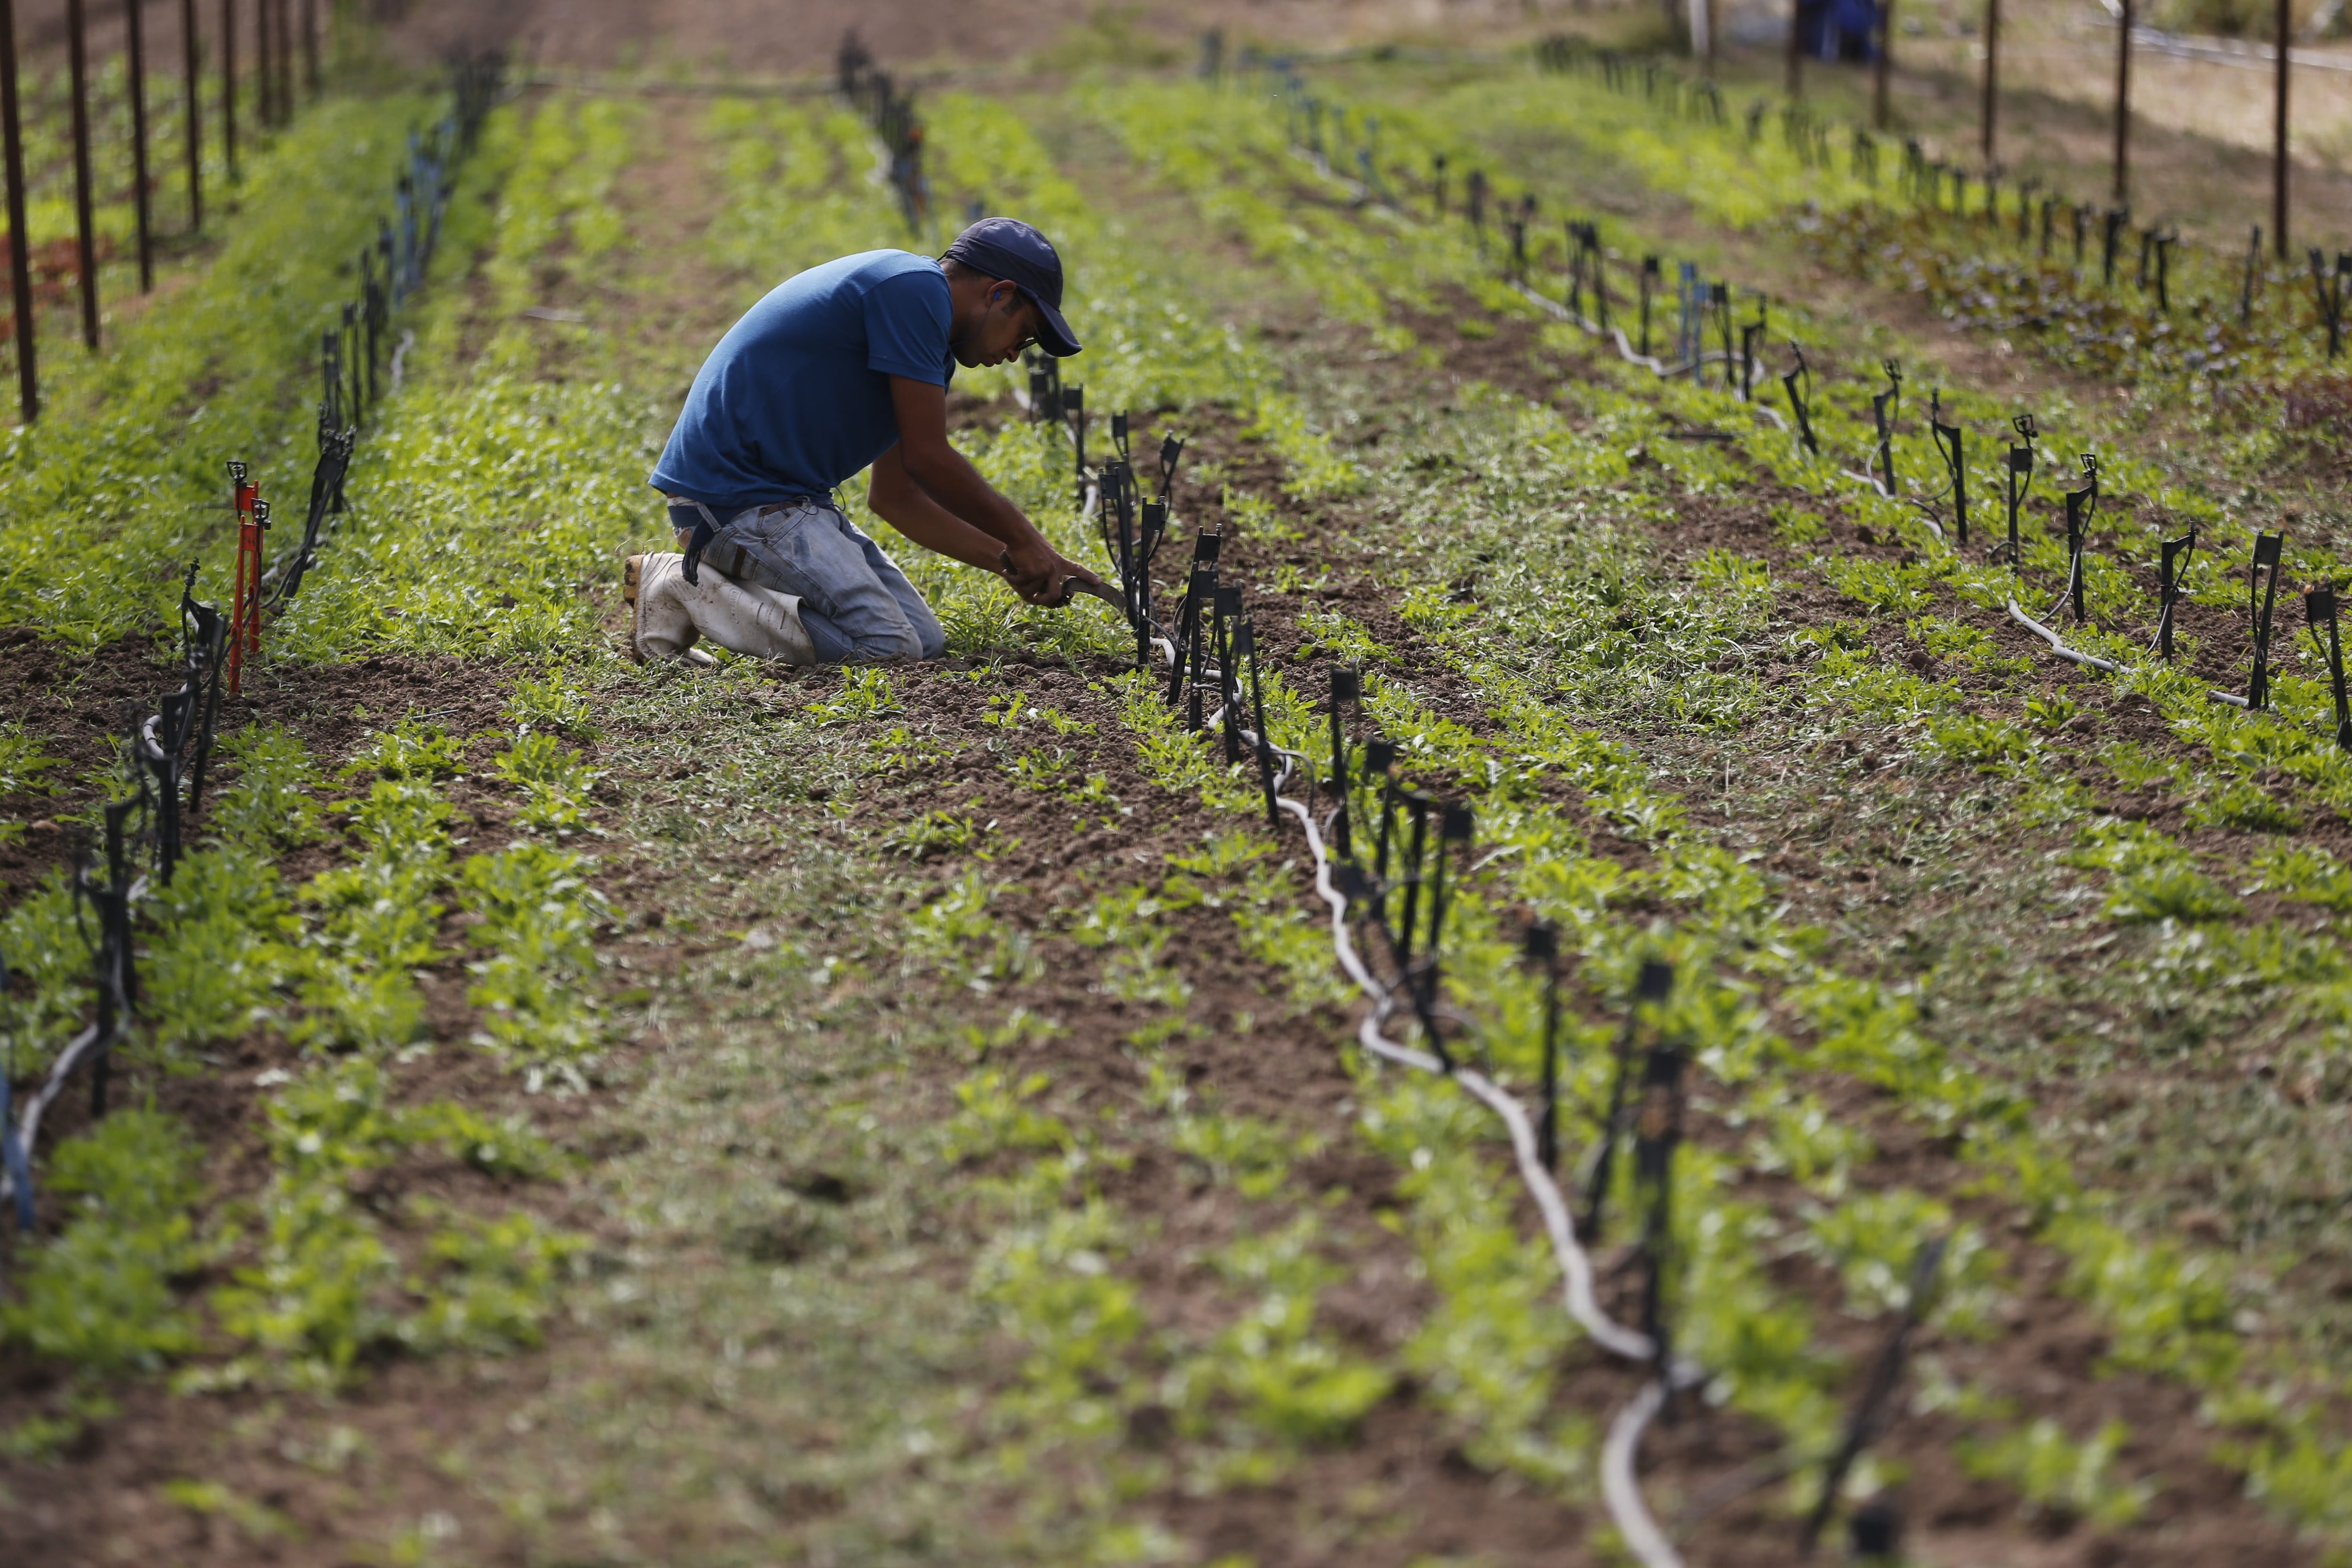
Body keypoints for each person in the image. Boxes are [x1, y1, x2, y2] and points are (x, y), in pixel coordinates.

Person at [625, 217, 1105, 664]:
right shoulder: (913, 291)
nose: (1013, 355)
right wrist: (1023, 538)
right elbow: (929, 460)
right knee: (886, 648)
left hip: (787, 504)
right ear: (999, 294)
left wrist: (1014, 561)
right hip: (733, 498)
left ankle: (717, 589)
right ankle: (679, 587)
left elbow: (897, 498)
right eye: (1023, 337)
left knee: (924, 642)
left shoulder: (930, 348)